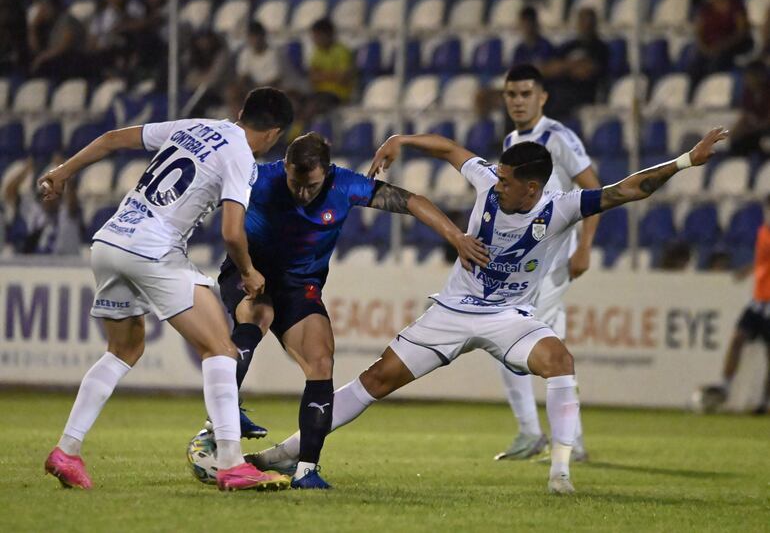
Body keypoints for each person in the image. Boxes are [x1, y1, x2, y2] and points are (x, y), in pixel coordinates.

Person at [250, 127, 728, 495]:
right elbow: (450, 150)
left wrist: (686, 161)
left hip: (508, 317)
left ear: (533, 187)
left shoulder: (561, 209)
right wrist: (402, 139)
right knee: (376, 380)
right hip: (454, 309)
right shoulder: (487, 182)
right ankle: (288, 452)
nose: (495, 185)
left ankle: (560, 470)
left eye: (506, 181)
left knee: (560, 361)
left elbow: (629, 189)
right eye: (496, 176)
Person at [39, 87, 295, 492]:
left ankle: (66, 451)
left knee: (123, 350)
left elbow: (111, 139)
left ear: (241, 111)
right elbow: (232, 231)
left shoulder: (196, 126)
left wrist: (62, 173)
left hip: (109, 242)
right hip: (152, 250)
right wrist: (247, 272)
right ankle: (231, 463)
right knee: (222, 349)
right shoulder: (242, 158)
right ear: (274, 133)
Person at [209, 131, 489, 489]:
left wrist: (456, 237)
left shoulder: (345, 185)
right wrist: (246, 269)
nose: (303, 193)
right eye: (295, 183)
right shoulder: (261, 179)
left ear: (327, 171)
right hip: (249, 271)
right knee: (257, 315)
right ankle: (218, 422)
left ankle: (306, 470)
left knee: (321, 360)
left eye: (311, 185)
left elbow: (412, 201)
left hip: (299, 286)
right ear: (285, 169)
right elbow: (214, 203)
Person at [492, 64, 600, 462]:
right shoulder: (512, 139)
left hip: (554, 261)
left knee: (502, 333)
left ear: (542, 97)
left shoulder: (558, 137)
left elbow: (593, 189)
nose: (517, 101)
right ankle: (572, 441)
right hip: (530, 260)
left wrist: (585, 246)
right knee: (553, 350)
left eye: (525, 94)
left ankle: (530, 432)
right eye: (511, 95)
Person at [708, 194, 770, 414]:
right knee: (737, 339)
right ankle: (725, 386)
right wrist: (748, 270)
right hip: (759, 300)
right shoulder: (763, 231)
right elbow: (763, 260)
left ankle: (765, 401)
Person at [3, 156, 82, 255]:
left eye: (52, 193)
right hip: (33, 263)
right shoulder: (34, 210)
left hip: (64, 265)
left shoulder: (67, 212)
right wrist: (26, 170)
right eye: (44, 193)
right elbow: (10, 192)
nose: (47, 198)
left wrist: (64, 171)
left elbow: (72, 199)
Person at [688, 0, 753, 87]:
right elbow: (698, 32)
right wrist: (704, 48)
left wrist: (722, 46)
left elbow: (742, 31)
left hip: (728, 47)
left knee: (716, 62)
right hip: (708, 48)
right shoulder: (706, 7)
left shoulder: (736, 5)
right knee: (694, 63)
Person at [540, 7, 609, 118]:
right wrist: (573, 65)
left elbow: (587, 72)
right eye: (583, 21)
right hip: (558, 89)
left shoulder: (600, 47)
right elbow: (549, 68)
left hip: (582, 93)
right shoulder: (569, 45)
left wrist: (564, 67)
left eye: (589, 22)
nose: (586, 25)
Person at [730, 60, 770, 158]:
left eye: (750, 76)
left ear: (761, 76)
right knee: (737, 143)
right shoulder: (748, 93)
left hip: (765, 129)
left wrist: (751, 129)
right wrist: (735, 132)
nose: (747, 80)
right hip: (756, 130)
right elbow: (745, 115)